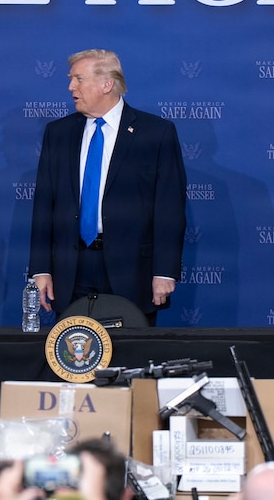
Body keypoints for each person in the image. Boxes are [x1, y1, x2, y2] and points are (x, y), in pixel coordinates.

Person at [28, 48, 187, 325]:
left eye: (78, 79)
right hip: (70, 269)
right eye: (71, 79)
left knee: (131, 350)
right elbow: (44, 205)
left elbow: (169, 207)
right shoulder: (58, 133)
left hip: (132, 270)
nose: (71, 87)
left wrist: (164, 271)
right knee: (75, 350)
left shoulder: (155, 133)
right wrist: (41, 269)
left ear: (106, 84)